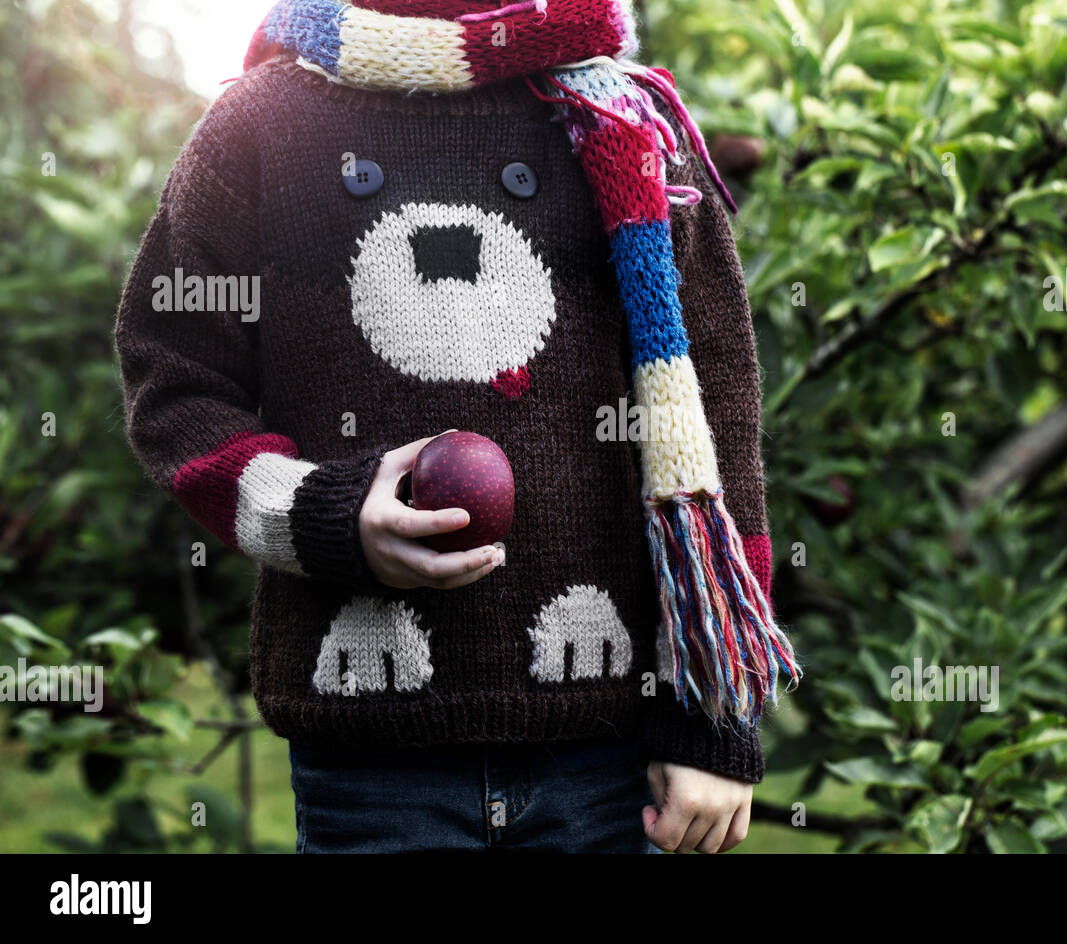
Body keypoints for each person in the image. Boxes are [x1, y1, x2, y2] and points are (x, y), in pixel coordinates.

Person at [114, 0, 798, 854]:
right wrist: (325, 514)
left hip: (608, 747)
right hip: (369, 751)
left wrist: (713, 718)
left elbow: (717, 423)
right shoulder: (265, 122)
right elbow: (174, 377)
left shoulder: (629, 119)